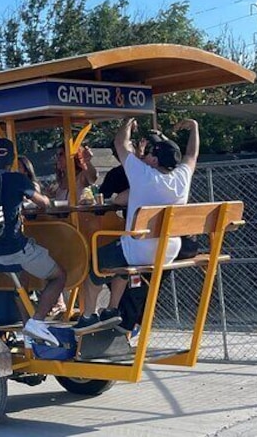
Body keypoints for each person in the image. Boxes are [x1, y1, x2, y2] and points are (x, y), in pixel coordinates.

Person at [73, 118, 199, 334]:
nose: (146, 155)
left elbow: (120, 143)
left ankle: (88, 315)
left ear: (154, 159)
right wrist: (194, 128)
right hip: (169, 250)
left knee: (94, 261)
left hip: (141, 251)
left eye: (150, 153)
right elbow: (191, 155)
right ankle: (112, 309)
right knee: (120, 252)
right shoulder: (182, 177)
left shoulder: (142, 175)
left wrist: (127, 123)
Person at [0, 137, 67, 346]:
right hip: (13, 247)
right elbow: (43, 203)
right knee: (59, 276)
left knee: (22, 281)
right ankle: (37, 322)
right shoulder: (17, 180)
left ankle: (28, 329)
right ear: (11, 158)